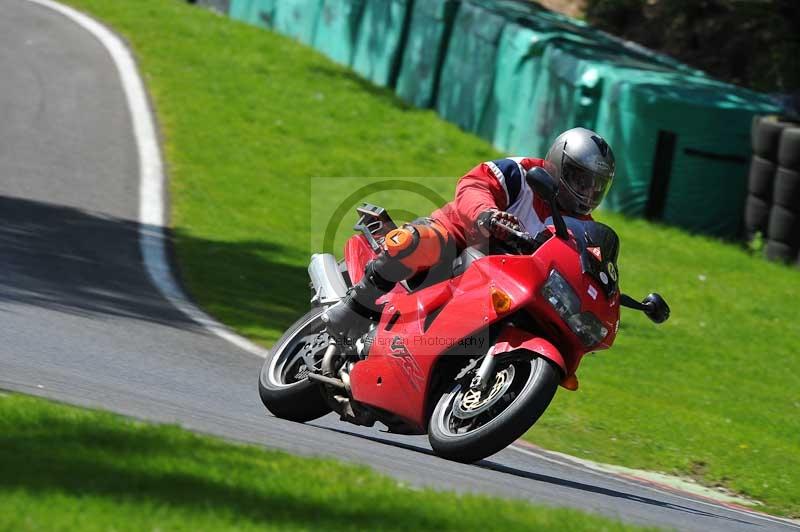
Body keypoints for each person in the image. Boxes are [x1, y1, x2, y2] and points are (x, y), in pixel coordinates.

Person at [323, 127, 616, 340]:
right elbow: (472, 186)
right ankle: (354, 305)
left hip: (503, 280)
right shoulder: (520, 173)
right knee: (416, 243)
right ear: (558, 164)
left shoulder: (581, 229)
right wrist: (486, 214)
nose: (589, 192)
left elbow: (581, 267)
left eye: (597, 185)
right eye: (581, 179)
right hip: (457, 239)